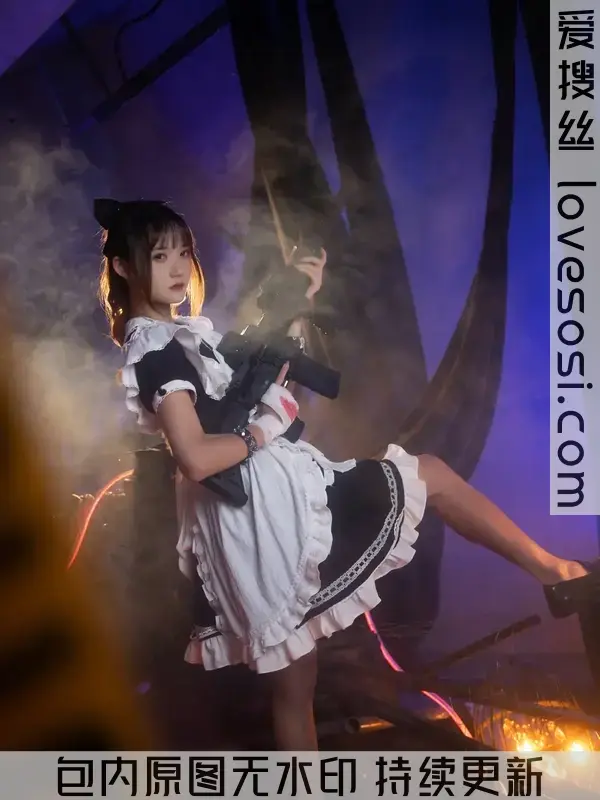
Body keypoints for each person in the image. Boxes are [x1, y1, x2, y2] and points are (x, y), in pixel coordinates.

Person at [96, 197, 597, 751]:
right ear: (122, 266)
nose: (176, 267)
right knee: (427, 477)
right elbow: (194, 456)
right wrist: (262, 429)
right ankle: (558, 573)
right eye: (159, 255)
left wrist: (294, 302)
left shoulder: (176, 335)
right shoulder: (154, 349)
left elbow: (235, 392)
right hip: (256, 518)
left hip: (269, 500)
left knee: (297, 685)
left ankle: (558, 573)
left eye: (182, 253)